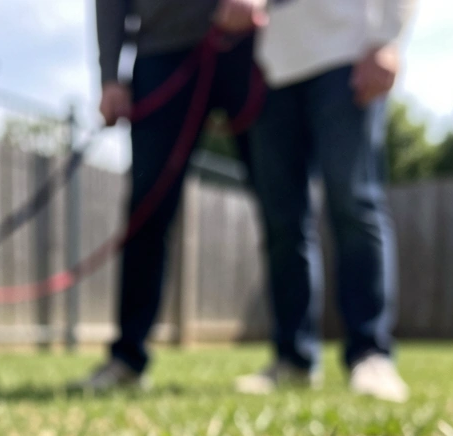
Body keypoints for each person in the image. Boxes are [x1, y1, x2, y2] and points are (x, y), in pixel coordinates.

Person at [75, 0, 269, 391]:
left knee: (281, 198)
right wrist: (110, 76)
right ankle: (126, 358)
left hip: (249, 42)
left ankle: (296, 356)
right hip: (158, 53)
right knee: (146, 210)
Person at [235, 0, 418, 402]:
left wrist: (387, 39)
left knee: (354, 203)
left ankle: (370, 353)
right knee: (282, 220)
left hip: (346, 55)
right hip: (271, 70)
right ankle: (293, 358)